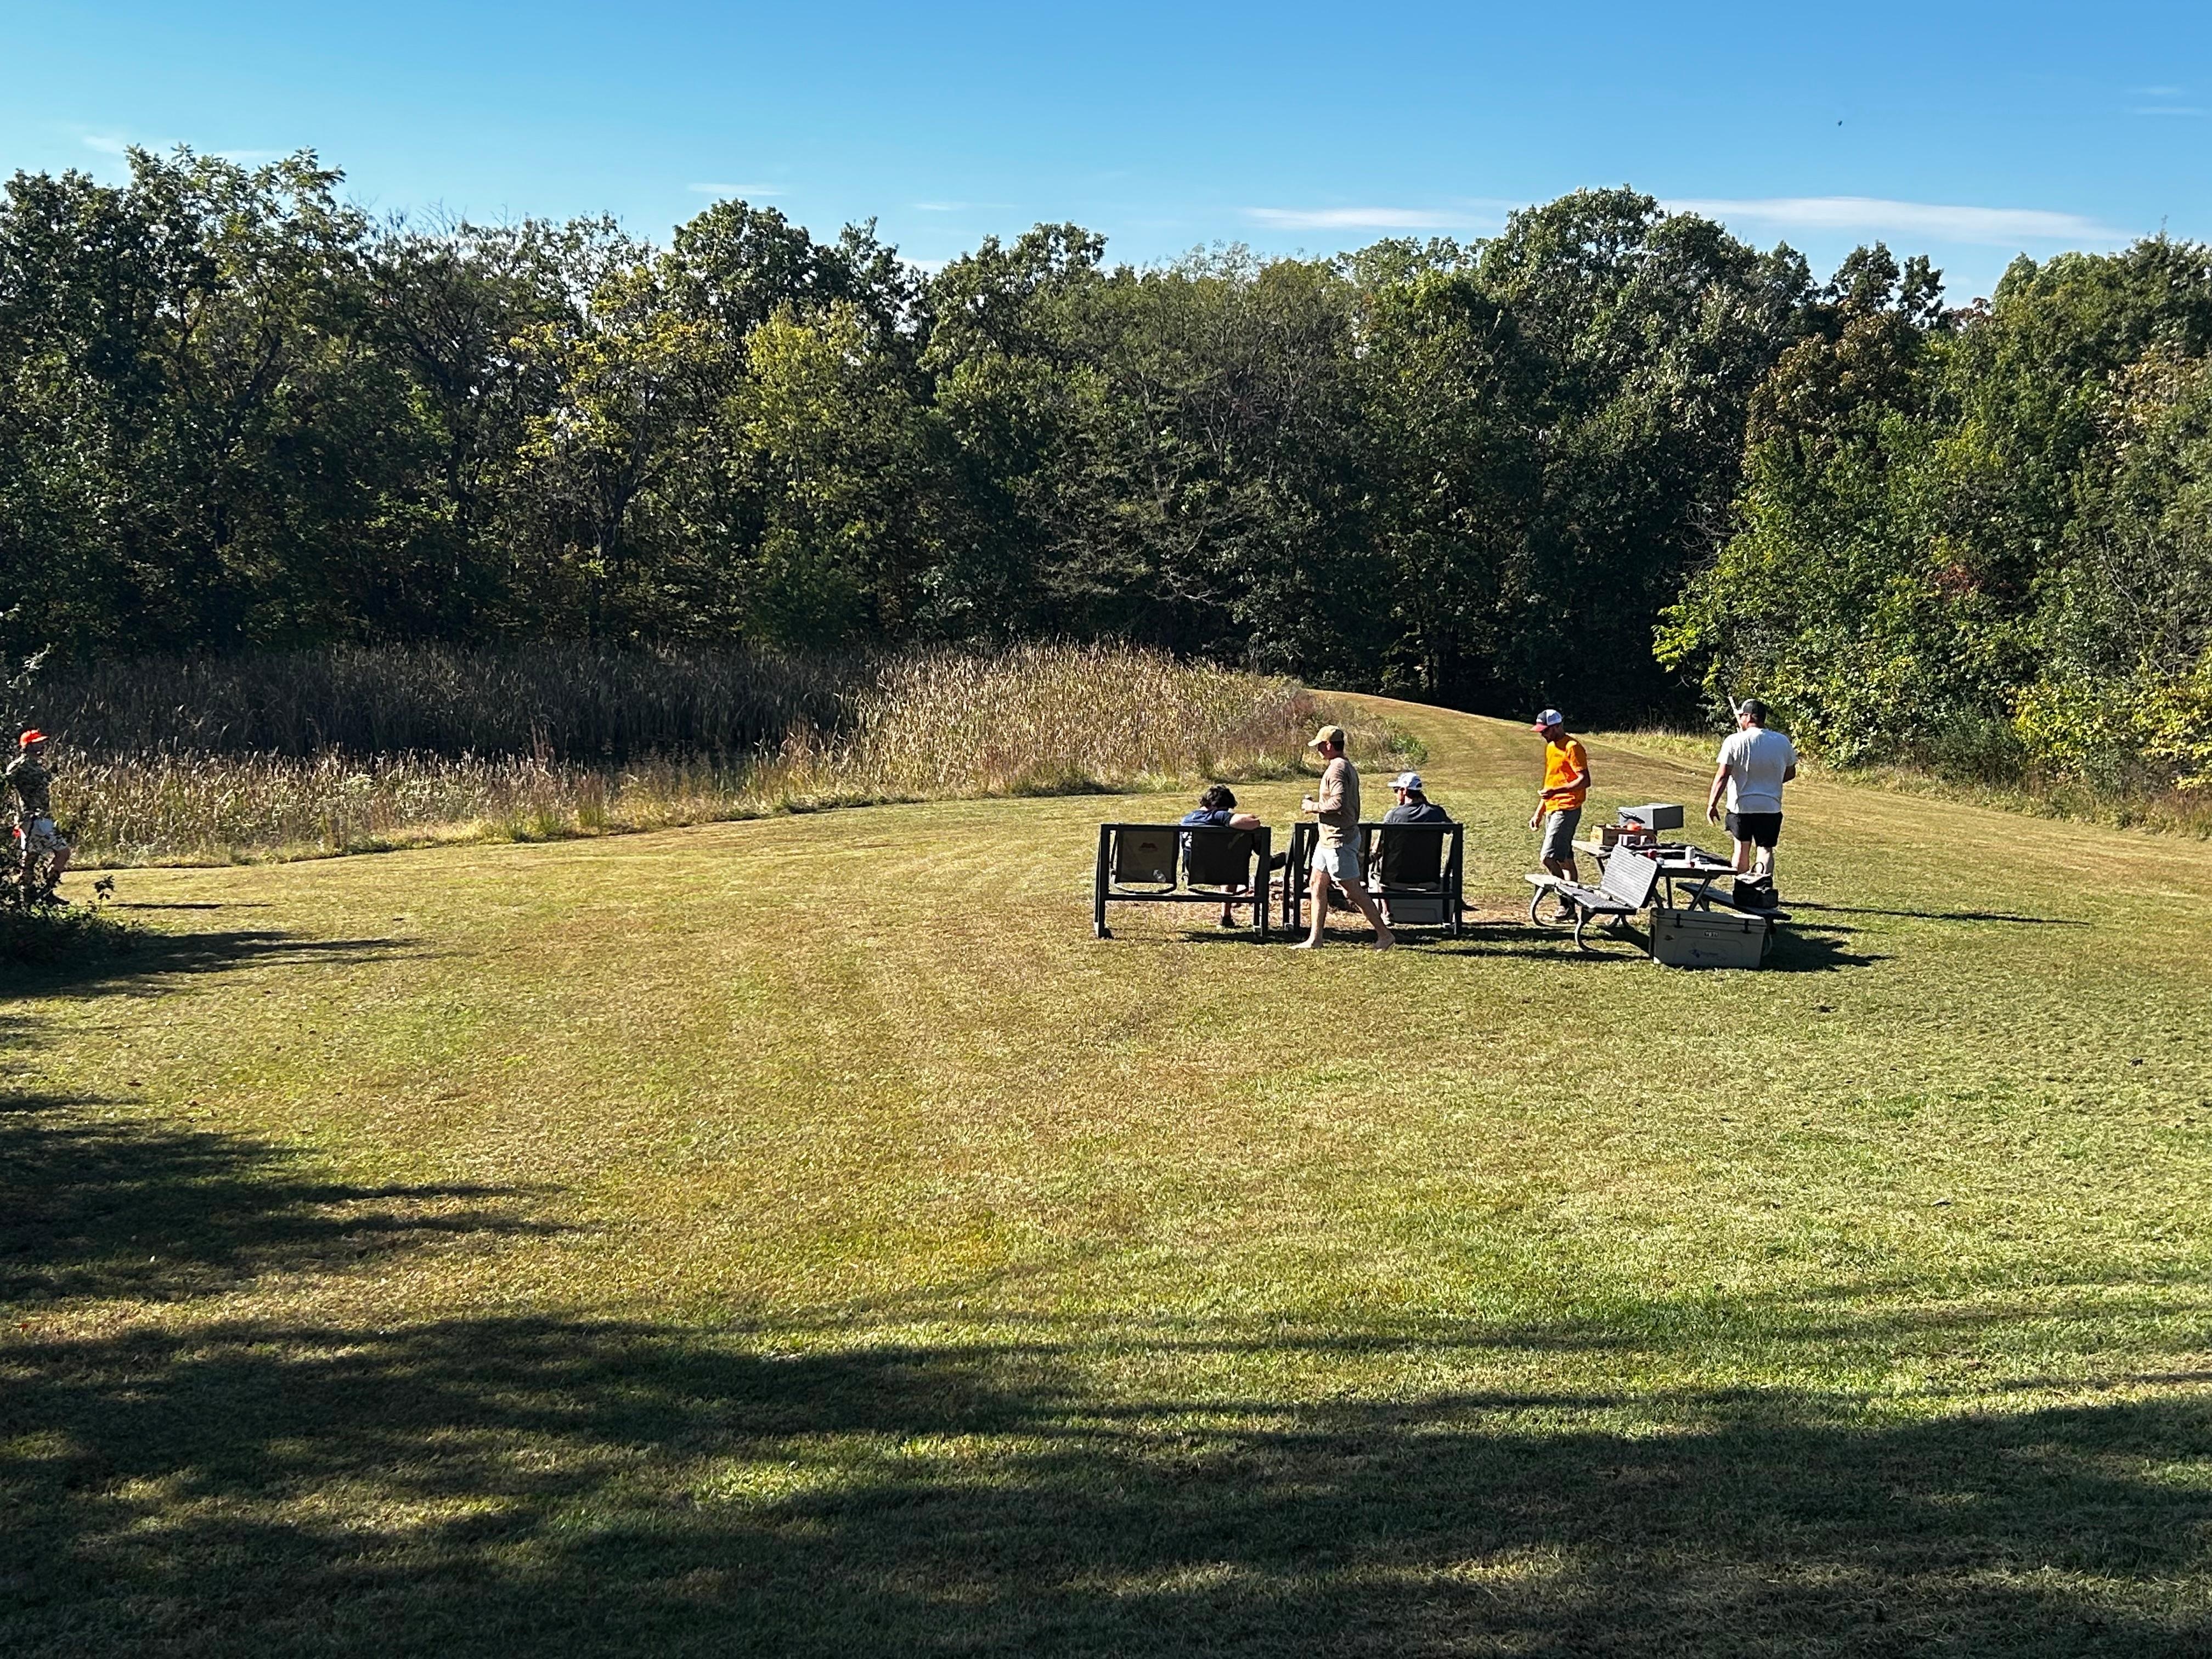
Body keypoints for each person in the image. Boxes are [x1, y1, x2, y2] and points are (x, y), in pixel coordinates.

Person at [1295, 724, 1392, 949]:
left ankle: (1385, 935)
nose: (1318, 750)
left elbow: (1338, 803)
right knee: (1316, 883)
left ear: (1329, 745)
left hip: (1339, 839)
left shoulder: (1337, 770)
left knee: (1351, 890)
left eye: (1320, 745)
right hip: (1327, 839)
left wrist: (1312, 807)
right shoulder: (1342, 766)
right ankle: (1315, 939)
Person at [1705, 698, 1798, 888]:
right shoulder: (1782, 741)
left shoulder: (1734, 740)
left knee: (1741, 848)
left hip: (1741, 806)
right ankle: (1762, 888)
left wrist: (1712, 804)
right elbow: (1790, 773)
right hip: (1770, 806)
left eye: (1742, 716)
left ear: (1748, 717)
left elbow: (1723, 775)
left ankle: (1742, 888)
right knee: (1765, 849)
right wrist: (1771, 781)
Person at [1180, 783, 1267, 926]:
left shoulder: (1186, 819)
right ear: (1218, 806)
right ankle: (1267, 859)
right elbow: (1253, 823)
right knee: (1232, 854)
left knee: (1226, 855)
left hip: (1194, 870)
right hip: (1224, 871)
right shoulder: (1218, 816)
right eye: (1227, 809)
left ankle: (1226, 917)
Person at [1526, 710, 1590, 885]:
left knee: (1547, 857)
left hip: (1568, 809)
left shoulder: (1573, 747)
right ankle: (1569, 908)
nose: (1542, 734)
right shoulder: (1551, 747)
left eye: (1545, 730)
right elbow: (1550, 783)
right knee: (1565, 860)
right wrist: (1539, 813)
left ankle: (1565, 902)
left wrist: (1556, 791)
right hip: (1553, 809)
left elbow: (1584, 781)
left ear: (1558, 726)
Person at [6, 729, 72, 895]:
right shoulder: (19, 766)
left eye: (42, 742)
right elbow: (8, 785)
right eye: (37, 743)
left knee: (32, 858)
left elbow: (40, 784)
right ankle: (37, 893)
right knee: (58, 853)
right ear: (28, 746)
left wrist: (51, 773)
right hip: (33, 818)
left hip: (43, 817)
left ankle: (39, 893)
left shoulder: (38, 765)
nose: (42, 745)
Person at [1381, 771, 1452, 826]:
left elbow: (1382, 841)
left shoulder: (1393, 815)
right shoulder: (1437, 812)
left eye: (1396, 790)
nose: (1396, 794)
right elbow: (1450, 829)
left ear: (1404, 791)